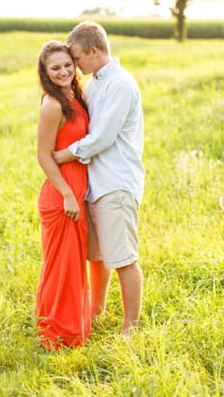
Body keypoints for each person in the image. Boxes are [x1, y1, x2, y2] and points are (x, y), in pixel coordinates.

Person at [53, 20, 145, 336]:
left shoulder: (120, 84)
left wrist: (62, 155)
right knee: (97, 255)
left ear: (94, 51)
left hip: (116, 183)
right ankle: (97, 312)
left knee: (123, 258)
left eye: (77, 59)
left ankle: (130, 329)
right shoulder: (94, 83)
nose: (74, 66)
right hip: (95, 184)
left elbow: (102, 137)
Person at [34, 40, 91, 349]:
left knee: (72, 264)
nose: (64, 71)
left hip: (77, 191)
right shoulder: (52, 105)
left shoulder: (75, 96)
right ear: (45, 72)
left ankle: (71, 323)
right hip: (62, 196)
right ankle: (59, 332)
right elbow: (44, 156)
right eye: (55, 68)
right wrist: (68, 195)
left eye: (67, 64)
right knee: (63, 265)